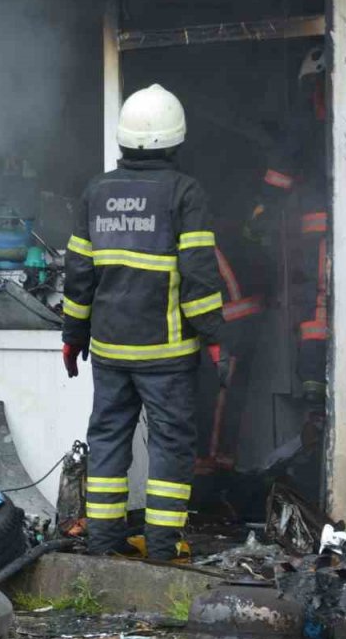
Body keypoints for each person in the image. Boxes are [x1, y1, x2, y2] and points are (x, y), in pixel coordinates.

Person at [61, 84, 230, 561]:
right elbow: (198, 273)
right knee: (171, 445)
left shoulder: (96, 191)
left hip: (111, 351)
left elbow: (78, 276)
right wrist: (216, 338)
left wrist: (73, 338)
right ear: (177, 138)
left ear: (123, 138)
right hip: (167, 354)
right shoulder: (184, 192)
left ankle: (102, 541)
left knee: (109, 440)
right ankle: (162, 546)